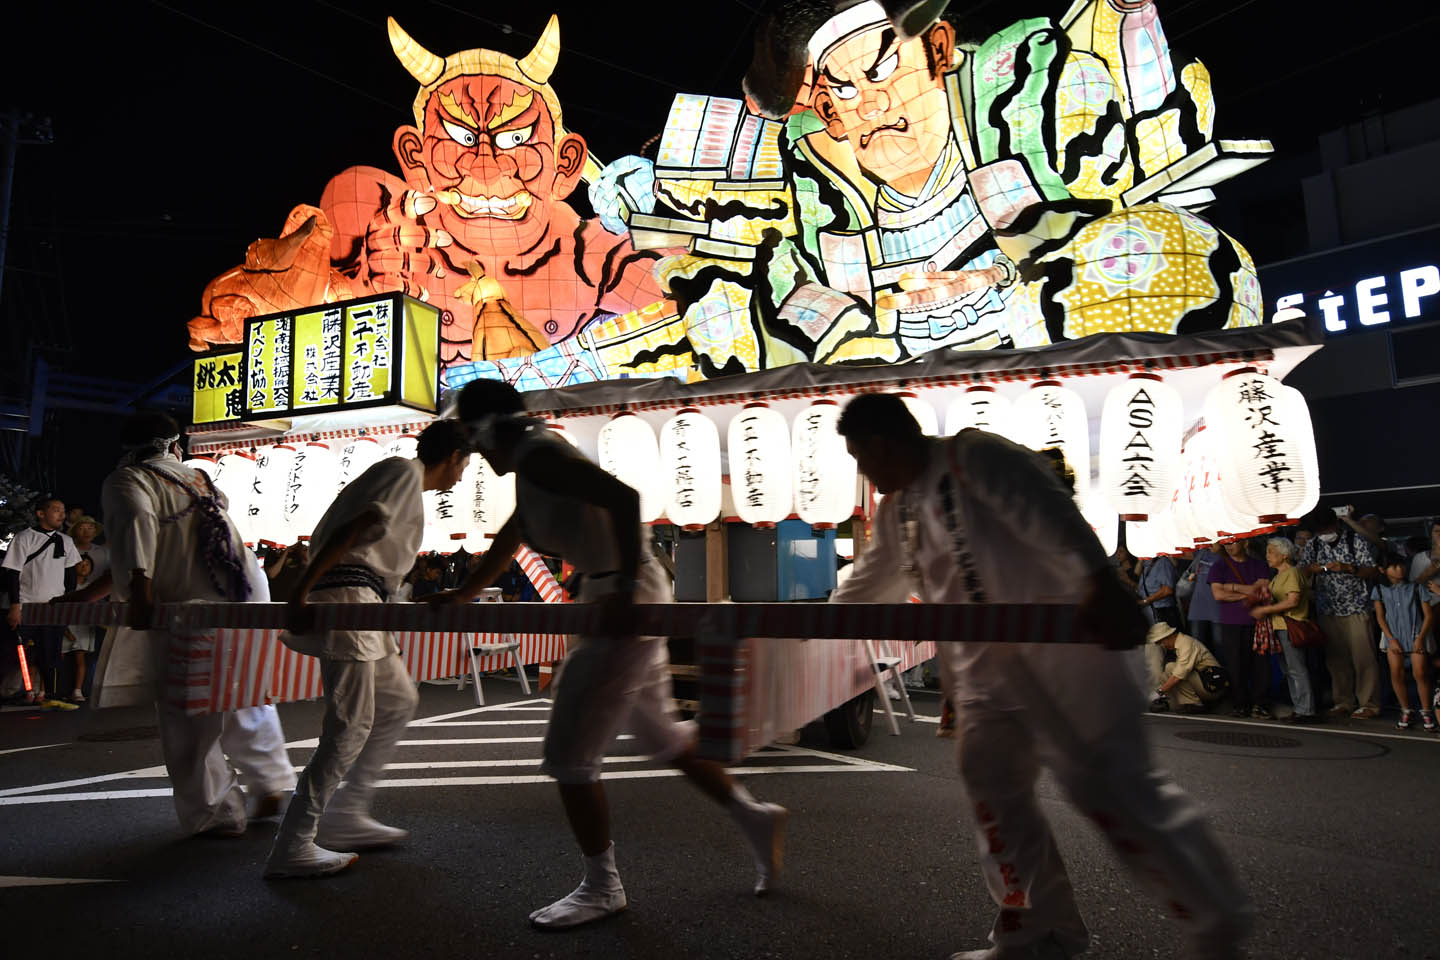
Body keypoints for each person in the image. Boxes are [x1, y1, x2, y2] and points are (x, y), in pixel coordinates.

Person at [830, 393, 1250, 960]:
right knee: (995, 795)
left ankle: (1216, 923)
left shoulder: (973, 456)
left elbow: (1051, 512)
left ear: (884, 442)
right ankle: (1037, 931)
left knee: (1114, 792)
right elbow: (874, 579)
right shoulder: (897, 508)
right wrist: (815, 620)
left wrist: (1101, 580)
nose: (863, 472)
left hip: (1067, 653)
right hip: (983, 675)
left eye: (860, 456)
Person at [441, 379, 787, 929]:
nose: (473, 451)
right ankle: (753, 815)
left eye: (471, 437)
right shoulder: (537, 459)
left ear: (489, 429)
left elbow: (624, 500)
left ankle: (603, 886)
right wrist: (463, 591)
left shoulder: (541, 454)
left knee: (569, 754)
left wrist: (623, 586)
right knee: (663, 737)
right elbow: (515, 532)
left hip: (621, 599)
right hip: (620, 593)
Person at [265, 419, 470, 878]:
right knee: (348, 727)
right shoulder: (402, 472)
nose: (461, 476)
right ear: (455, 457)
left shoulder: (403, 479)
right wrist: (298, 593)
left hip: (366, 600)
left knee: (398, 700)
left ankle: (346, 812)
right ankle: (293, 845)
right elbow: (353, 532)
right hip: (349, 598)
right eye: (465, 464)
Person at [100, 412, 296, 835]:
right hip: (245, 596)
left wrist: (139, 596)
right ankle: (270, 781)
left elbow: (139, 529)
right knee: (245, 694)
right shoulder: (198, 479)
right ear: (174, 446)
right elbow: (162, 540)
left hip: (193, 610)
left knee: (188, 711)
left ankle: (216, 812)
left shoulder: (129, 479)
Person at [1300, 508, 1381, 719]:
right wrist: (1313, 569)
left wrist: (1348, 568)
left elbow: (1372, 569)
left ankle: (1369, 703)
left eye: (1326, 528)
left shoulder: (1355, 540)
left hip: (1357, 607)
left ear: (1336, 524)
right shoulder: (1314, 544)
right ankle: (1343, 701)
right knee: (1336, 660)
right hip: (1327, 607)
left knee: (1364, 658)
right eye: (1320, 530)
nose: (1324, 533)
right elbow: (1302, 570)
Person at [2, 496, 82, 709]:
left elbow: (70, 576)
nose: (62, 514)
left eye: (63, 510)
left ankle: (50, 695)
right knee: (18, 651)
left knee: (52, 652)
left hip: (53, 607)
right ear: (41, 513)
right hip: (27, 604)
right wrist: (15, 605)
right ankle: (17, 691)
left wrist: (68, 604)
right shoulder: (24, 538)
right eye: (56, 510)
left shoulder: (66, 541)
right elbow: (12, 573)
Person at [1247, 538, 1318, 724]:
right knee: (1289, 669)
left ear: (1284, 555)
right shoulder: (1277, 576)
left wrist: (1265, 610)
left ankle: (1306, 710)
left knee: (1296, 668)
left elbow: (1292, 601)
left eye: (1271, 552)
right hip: (1279, 627)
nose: (1267, 556)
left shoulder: (1292, 573)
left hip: (1289, 625)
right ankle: (1300, 708)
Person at [1207, 539, 1273, 719]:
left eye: (1233, 542)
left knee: (1261, 664)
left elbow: (1262, 590)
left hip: (1257, 622)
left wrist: (1232, 587)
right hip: (1231, 622)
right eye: (1226, 543)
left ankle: (1261, 704)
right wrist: (1248, 590)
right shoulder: (1219, 566)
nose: (1228, 546)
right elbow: (1218, 594)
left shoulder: (1259, 565)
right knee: (1235, 664)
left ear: (1245, 543)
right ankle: (1240, 704)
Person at [1371, 554, 1437, 732]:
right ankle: (1405, 709)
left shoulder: (1416, 588)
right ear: (1383, 570)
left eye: (1401, 565)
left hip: (1416, 634)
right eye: (1393, 566)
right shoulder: (1379, 589)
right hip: (1393, 636)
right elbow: (1380, 617)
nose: (1399, 569)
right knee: (1396, 673)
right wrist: (1391, 639)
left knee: (1420, 673)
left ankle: (1426, 710)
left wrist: (1420, 638)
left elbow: (1428, 615)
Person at [1146, 622, 1226, 714]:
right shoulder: (1180, 644)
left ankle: (1194, 704)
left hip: (1213, 685)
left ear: (1168, 637)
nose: (1161, 645)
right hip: (1204, 682)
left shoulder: (1186, 644)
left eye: (1160, 642)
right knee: (1166, 673)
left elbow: (1178, 675)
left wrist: (1159, 692)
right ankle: (1175, 704)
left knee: (1172, 669)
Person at [1183, 545, 1225, 668]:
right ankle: (1203, 677)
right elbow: (1182, 554)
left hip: (1217, 607)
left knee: (1219, 647)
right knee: (1197, 646)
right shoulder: (1201, 552)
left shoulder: (1225, 553)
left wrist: (1221, 551)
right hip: (1198, 606)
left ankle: (1221, 679)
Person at [1136, 553, 1180, 629]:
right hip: (1152, 611)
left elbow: (1167, 590)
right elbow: (1136, 572)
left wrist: (1145, 601)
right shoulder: (1147, 564)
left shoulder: (1163, 562)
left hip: (1163, 612)